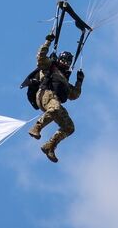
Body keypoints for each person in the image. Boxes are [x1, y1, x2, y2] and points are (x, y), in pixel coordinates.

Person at [28, 33, 85, 162]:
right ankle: (36, 127)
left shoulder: (64, 79)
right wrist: (48, 42)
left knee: (69, 127)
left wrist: (79, 81)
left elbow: (74, 95)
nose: (65, 62)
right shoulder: (50, 66)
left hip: (54, 101)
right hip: (45, 95)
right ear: (59, 59)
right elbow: (40, 58)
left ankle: (50, 147)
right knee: (55, 107)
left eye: (68, 61)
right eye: (63, 59)